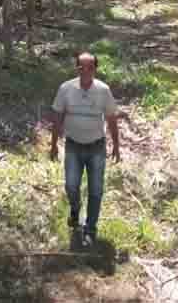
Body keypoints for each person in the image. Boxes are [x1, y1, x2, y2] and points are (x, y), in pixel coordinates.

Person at [50, 52, 120, 248]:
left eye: (90, 67)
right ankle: (75, 210)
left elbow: (112, 119)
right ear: (77, 69)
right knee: (71, 186)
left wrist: (116, 146)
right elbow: (57, 117)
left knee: (96, 190)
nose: (85, 71)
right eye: (81, 67)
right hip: (73, 145)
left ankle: (90, 229)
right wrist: (54, 144)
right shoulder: (66, 89)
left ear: (95, 69)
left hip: (96, 146)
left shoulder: (103, 90)